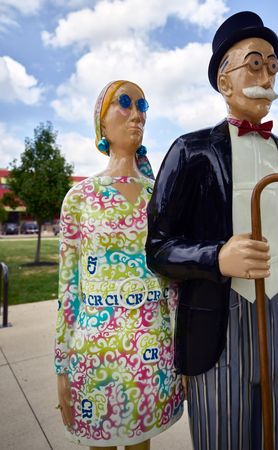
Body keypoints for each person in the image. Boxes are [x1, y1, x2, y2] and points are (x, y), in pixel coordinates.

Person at [146, 11, 278, 450]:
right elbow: (158, 249)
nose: (267, 74)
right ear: (224, 80)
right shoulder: (190, 152)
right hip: (217, 327)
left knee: (274, 440)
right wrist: (217, 257)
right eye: (254, 63)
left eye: (272, 64)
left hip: (275, 322)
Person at [55, 80, 183, 450]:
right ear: (101, 124)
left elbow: (172, 280)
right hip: (93, 357)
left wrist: (183, 351)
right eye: (124, 103)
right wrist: (61, 368)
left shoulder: (158, 195)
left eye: (142, 105)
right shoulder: (79, 198)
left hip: (152, 353)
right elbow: (68, 289)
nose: (137, 113)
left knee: (141, 444)